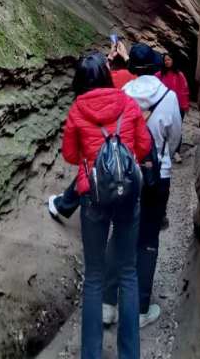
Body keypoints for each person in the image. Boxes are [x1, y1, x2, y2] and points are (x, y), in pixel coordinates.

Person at [60, 52, 152, 359]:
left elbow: (70, 155)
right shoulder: (127, 104)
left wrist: (94, 158)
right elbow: (143, 146)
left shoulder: (76, 110)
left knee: (95, 278)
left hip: (93, 197)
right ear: (106, 75)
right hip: (127, 195)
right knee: (128, 273)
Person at [103, 43, 182, 330]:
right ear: (156, 67)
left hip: (125, 173)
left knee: (120, 234)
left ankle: (107, 306)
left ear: (133, 68)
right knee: (148, 239)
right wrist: (162, 157)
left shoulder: (122, 95)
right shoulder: (169, 97)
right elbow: (174, 138)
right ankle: (139, 310)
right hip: (156, 176)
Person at [48, 39, 136, 222]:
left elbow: (70, 154)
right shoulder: (126, 87)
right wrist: (124, 58)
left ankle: (63, 206)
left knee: (90, 172)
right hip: (121, 146)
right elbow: (138, 80)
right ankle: (64, 205)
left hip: (94, 155)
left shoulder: (79, 108)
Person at [156, 51, 190, 164]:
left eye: (169, 60)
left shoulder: (179, 75)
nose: (167, 62)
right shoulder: (159, 75)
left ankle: (176, 152)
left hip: (178, 106)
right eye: (165, 60)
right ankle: (164, 151)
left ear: (173, 61)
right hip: (163, 106)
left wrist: (185, 105)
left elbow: (184, 90)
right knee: (164, 128)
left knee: (177, 129)